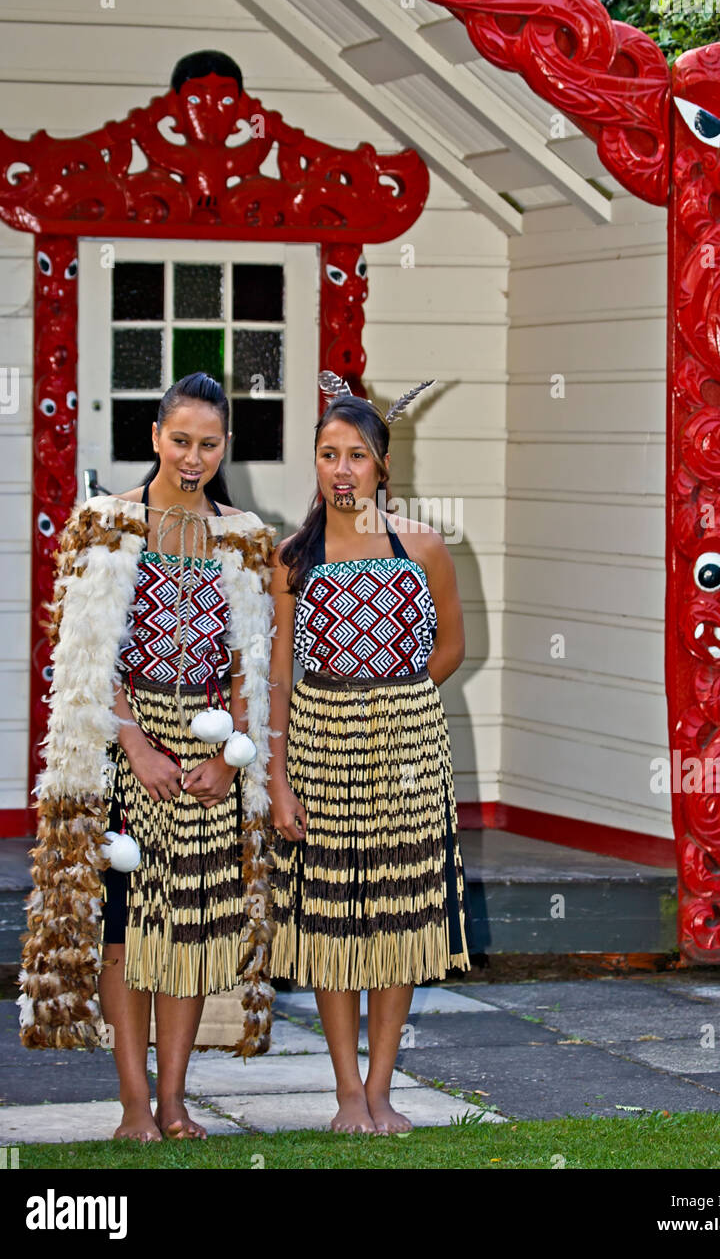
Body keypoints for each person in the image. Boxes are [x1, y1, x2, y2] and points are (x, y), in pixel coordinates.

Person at [18, 373, 277, 1142]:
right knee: (126, 926)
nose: (193, 457)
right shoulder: (103, 525)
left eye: (208, 443)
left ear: (225, 445)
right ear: (155, 437)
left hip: (208, 747)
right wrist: (133, 743)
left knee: (189, 929)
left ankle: (174, 1100)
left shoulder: (245, 536)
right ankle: (133, 1104)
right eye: (180, 440)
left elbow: (252, 665)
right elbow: (79, 655)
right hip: (119, 745)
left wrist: (231, 759)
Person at [267, 371, 472, 1135]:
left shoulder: (423, 546)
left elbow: (450, 648)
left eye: (357, 454)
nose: (342, 468)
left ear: (383, 466)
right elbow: (279, 674)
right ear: (315, 464)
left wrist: (396, 701)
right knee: (331, 924)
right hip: (320, 750)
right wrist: (279, 780)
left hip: (409, 754)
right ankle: (347, 1092)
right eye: (328, 454)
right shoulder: (294, 556)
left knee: (396, 922)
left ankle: (384, 1091)